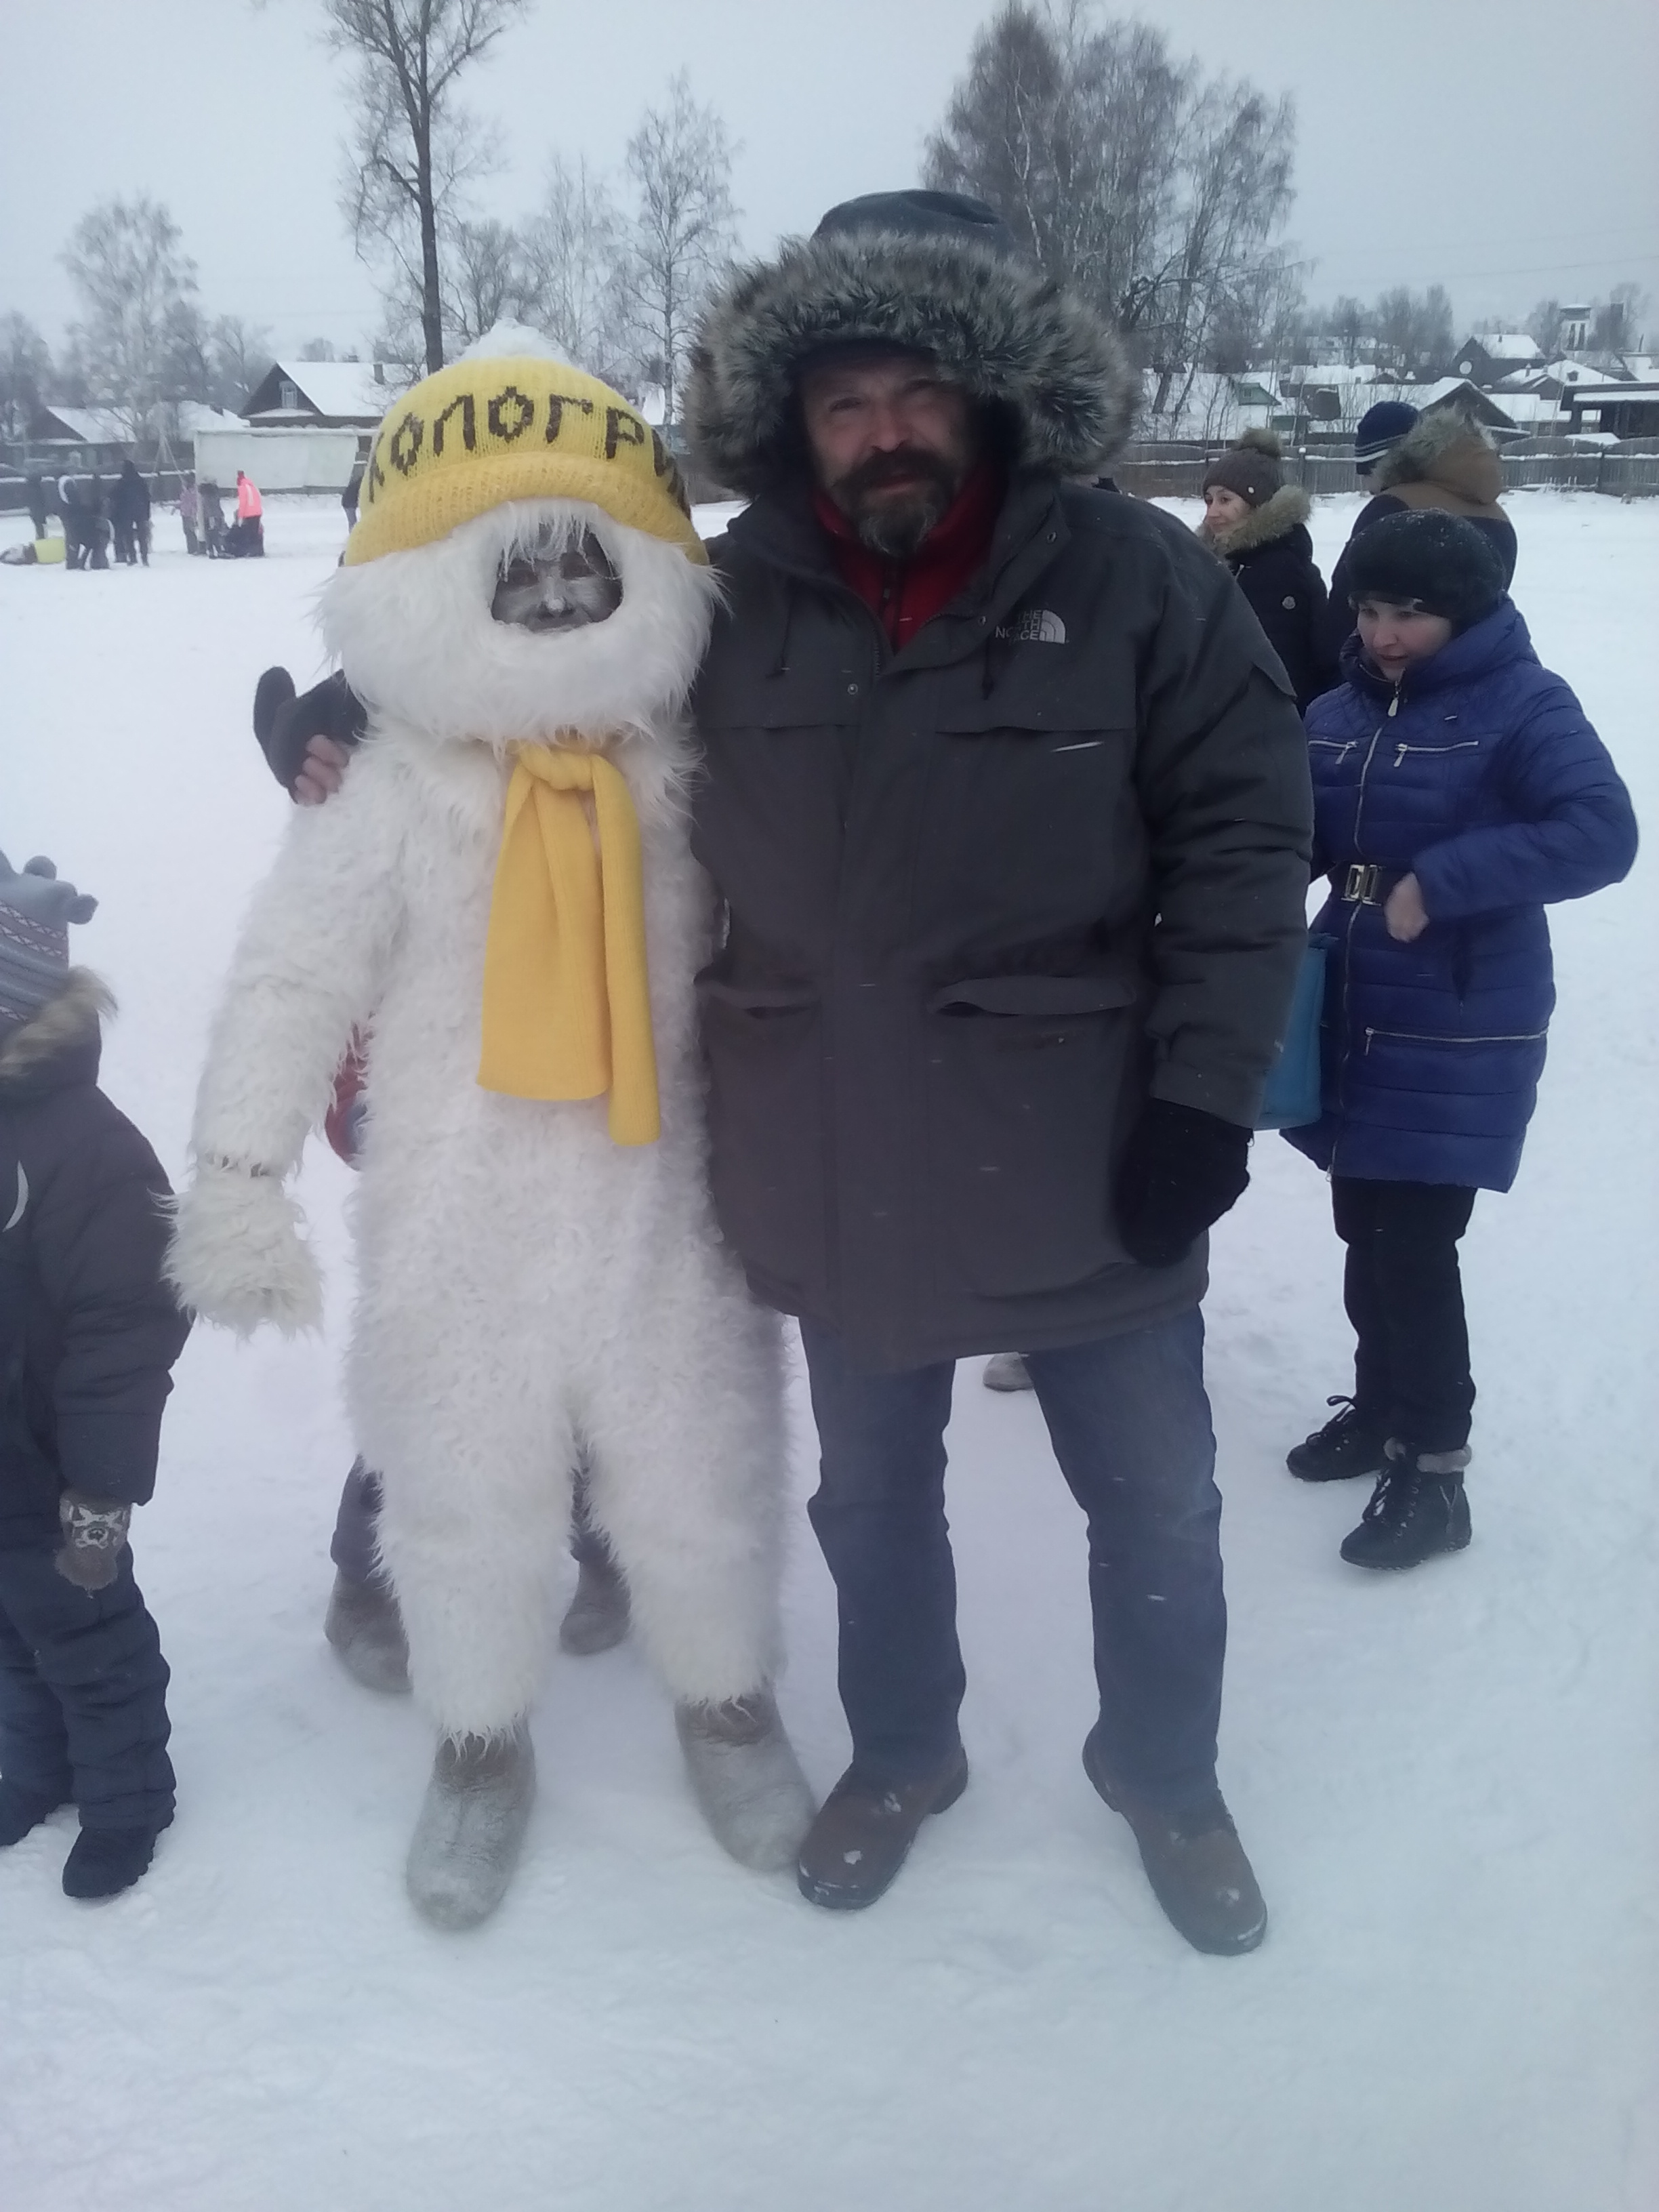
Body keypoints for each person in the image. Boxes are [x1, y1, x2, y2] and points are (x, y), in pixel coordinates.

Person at [257, 193, 1315, 1954]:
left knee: (1160, 1503)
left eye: (918, 392)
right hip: (835, 1147)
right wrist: (365, 710)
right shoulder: (736, 594)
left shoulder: (1141, 581)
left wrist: (1208, 1096)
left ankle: (1169, 1779)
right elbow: (545, 661)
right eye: (844, 402)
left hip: (1085, 1142)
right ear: (794, 422)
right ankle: (901, 1755)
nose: (884, 430)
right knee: (869, 1497)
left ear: (991, 395)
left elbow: (1245, 838)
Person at [247, 666, 634, 1689]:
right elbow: (337, 951)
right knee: (437, 1369)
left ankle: (606, 1546)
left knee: (589, 1345)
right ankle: (367, 1580)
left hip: (585, 1102)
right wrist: (364, 1101)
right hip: (440, 1123)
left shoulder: (591, 706)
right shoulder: (389, 736)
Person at [1285, 511, 1637, 1568]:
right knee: (1364, 1226)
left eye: (1413, 614)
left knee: (1413, 1243)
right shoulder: (1339, 709)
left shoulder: (1524, 703)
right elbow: (1295, 830)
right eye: (1371, 610)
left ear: (1468, 612)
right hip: (1352, 1002)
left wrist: (1445, 880)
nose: (1385, 634)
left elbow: (1600, 830)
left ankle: (1435, 1472)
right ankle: (1382, 1406)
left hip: (1458, 1013)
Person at [0, 853, 190, 1899]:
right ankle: (39, 1770)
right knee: (10, 1640)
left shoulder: (90, 1151)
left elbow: (128, 1331)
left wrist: (100, 1493)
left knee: (89, 1641)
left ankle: (128, 1801)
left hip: (51, 1471)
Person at [1324, 401, 1515, 666]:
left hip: (1389, 674)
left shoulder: (1392, 507)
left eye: (1366, 473)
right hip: (1478, 670)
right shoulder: (1498, 516)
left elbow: (1345, 607)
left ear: (1386, 463)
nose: (1367, 488)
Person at [1195, 430, 1336, 710]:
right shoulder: (1227, 561)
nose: (1212, 512)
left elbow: (1281, 672)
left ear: (1257, 505)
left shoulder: (1277, 570)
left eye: (1225, 500)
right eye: (1209, 500)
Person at [111, 460, 151, 567]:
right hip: (141, 511)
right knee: (142, 536)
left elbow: (114, 496)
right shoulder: (141, 481)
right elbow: (147, 497)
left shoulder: (122, 482)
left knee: (128, 536)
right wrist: (147, 513)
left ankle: (133, 557)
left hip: (126, 513)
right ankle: (144, 558)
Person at [198, 480, 226, 557]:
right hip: (215, 516)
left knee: (209, 535)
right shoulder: (215, 495)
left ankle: (211, 551)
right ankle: (219, 550)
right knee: (216, 534)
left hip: (209, 517)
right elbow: (217, 506)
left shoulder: (205, 497)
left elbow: (207, 507)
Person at [177, 472, 202, 556]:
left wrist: (193, 513)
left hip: (191, 513)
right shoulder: (185, 490)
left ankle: (194, 548)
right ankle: (191, 548)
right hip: (185, 512)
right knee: (187, 531)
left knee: (191, 530)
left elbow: (193, 502)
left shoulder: (194, 490)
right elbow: (184, 501)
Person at [342, 460, 365, 531]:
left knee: (352, 521)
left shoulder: (356, 484)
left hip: (347, 502)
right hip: (348, 504)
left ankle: (354, 533)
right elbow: (360, 496)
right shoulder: (360, 486)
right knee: (353, 522)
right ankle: (353, 534)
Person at [26, 475, 47, 544]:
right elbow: (41, 500)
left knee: (38, 525)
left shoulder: (29, 488)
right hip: (38, 509)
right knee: (40, 525)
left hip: (34, 510)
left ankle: (40, 538)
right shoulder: (37, 488)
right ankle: (41, 539)